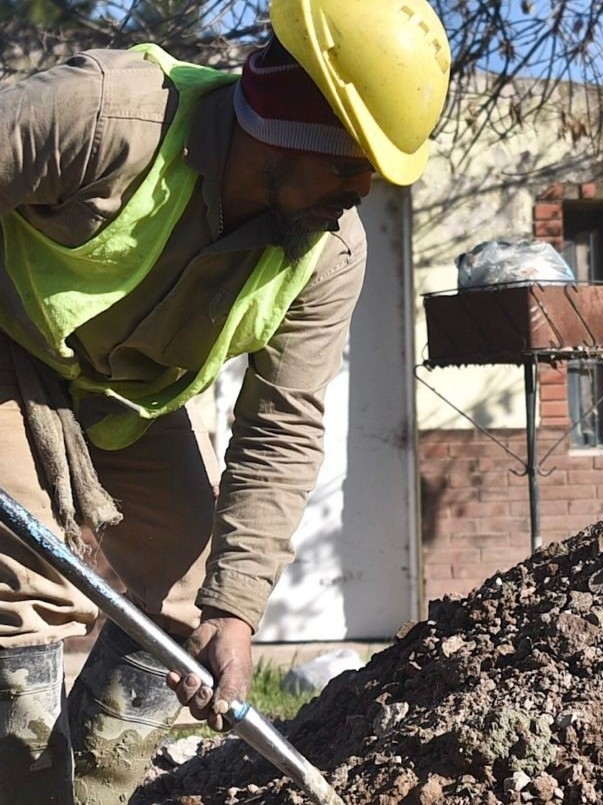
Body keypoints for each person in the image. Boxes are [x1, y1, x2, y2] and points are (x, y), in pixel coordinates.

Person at [0, 1, 451, 802]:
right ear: (287, 124)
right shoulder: (107, 116)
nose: (361, 189)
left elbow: (282, 426)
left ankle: (96, 791)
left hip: (115, 396)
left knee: (189, 594)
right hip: (5, 336)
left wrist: (236, 614)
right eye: (351, 163)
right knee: (34, 586)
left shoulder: (328, 252)